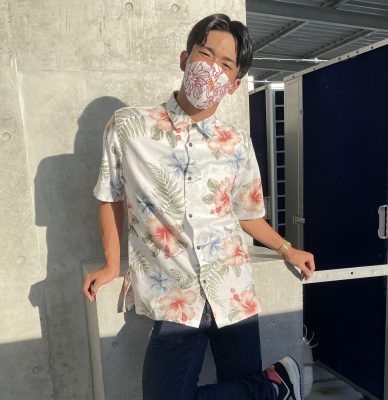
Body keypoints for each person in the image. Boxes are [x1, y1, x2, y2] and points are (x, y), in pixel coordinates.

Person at [83, 13, 315, 400]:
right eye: (205, 54)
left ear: (234, 84)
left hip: (232, 289)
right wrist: (110, 263)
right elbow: (110, 195)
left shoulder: (236, 141)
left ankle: (271, 386)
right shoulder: (130, 127)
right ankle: (274, 386)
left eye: (225, 64)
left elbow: (247, 213)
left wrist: (286, 248)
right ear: (184, 58)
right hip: (176, 295)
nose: (211, 68)